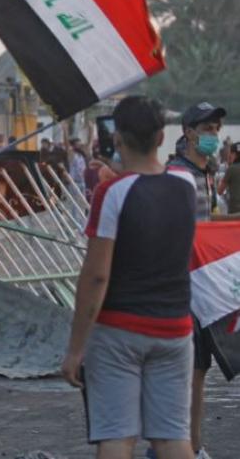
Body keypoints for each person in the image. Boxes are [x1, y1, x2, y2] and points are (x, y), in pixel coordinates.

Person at [62, 96, 197, 459]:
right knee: (172, 438)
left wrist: (76, 349)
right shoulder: (187, 185)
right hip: (175, 329)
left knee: (117, 437)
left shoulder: (111, 193)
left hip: (119, 333)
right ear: (160, 138)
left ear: (117, 139)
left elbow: (96, 278)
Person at [167, 102, 238, 459]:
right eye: (207, 129)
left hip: (201, 287)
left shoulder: (205, 173)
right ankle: (177, 446)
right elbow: (179, 233)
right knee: (187, 375)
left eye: (216, 128)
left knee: (197, 372)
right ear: (189, 132)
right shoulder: (179, 176)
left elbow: (208, 224)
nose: (213, 135)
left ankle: (192, 445)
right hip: (183, 287)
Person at [218, 142, 240, 215]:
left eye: (231, 153)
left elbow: (220, 191)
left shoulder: (231, 169)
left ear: (234, 155)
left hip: (235, 211)